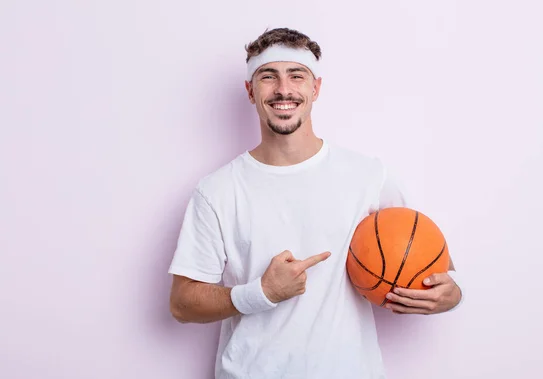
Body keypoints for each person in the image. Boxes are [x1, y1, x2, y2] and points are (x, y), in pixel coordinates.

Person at [168, 27, 463, 379]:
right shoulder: (217, 190)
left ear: (316, 88)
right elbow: (182, 304)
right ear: (250, 91)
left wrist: (450, 295)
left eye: (297, 75)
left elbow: (432, 264)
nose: (283, 89)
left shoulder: (368, 175)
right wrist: (261, 293)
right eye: (268, 76)